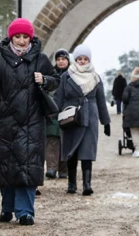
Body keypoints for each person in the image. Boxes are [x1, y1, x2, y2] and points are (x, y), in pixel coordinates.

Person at [0, 18, 58, 225]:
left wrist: (45, 80)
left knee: (28, 167)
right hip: (4, 122)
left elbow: (55, 79)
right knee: (7, 167)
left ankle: (24, 211)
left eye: (25, 37)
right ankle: (7, 207)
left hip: (32, 122)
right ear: (11, 37)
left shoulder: (40, 59)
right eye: (17, 36)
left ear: (30, 38)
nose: (22, 41)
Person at [54, 44, 111, 196]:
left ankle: (87, 184)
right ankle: (71, 184)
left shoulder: (95, 77)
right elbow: (58, 97)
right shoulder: (67, 76)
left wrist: (106, 122)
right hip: (71, 117)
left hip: (90, 117)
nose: (82, 61)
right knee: (71, 151)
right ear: (75, 59)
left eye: (85, 59)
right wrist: (52, 114)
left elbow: (101, 100)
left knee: (87, 151)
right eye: (80, 58)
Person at [46, 49, 69, 179]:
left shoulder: (73, 74)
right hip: (52, 111)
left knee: (65, 140)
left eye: (63, 59)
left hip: (67, 112)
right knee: (51, 140)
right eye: (58, 59)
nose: (60, 62)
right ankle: (51, 168)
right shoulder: (51, 75)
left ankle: (63, 169)